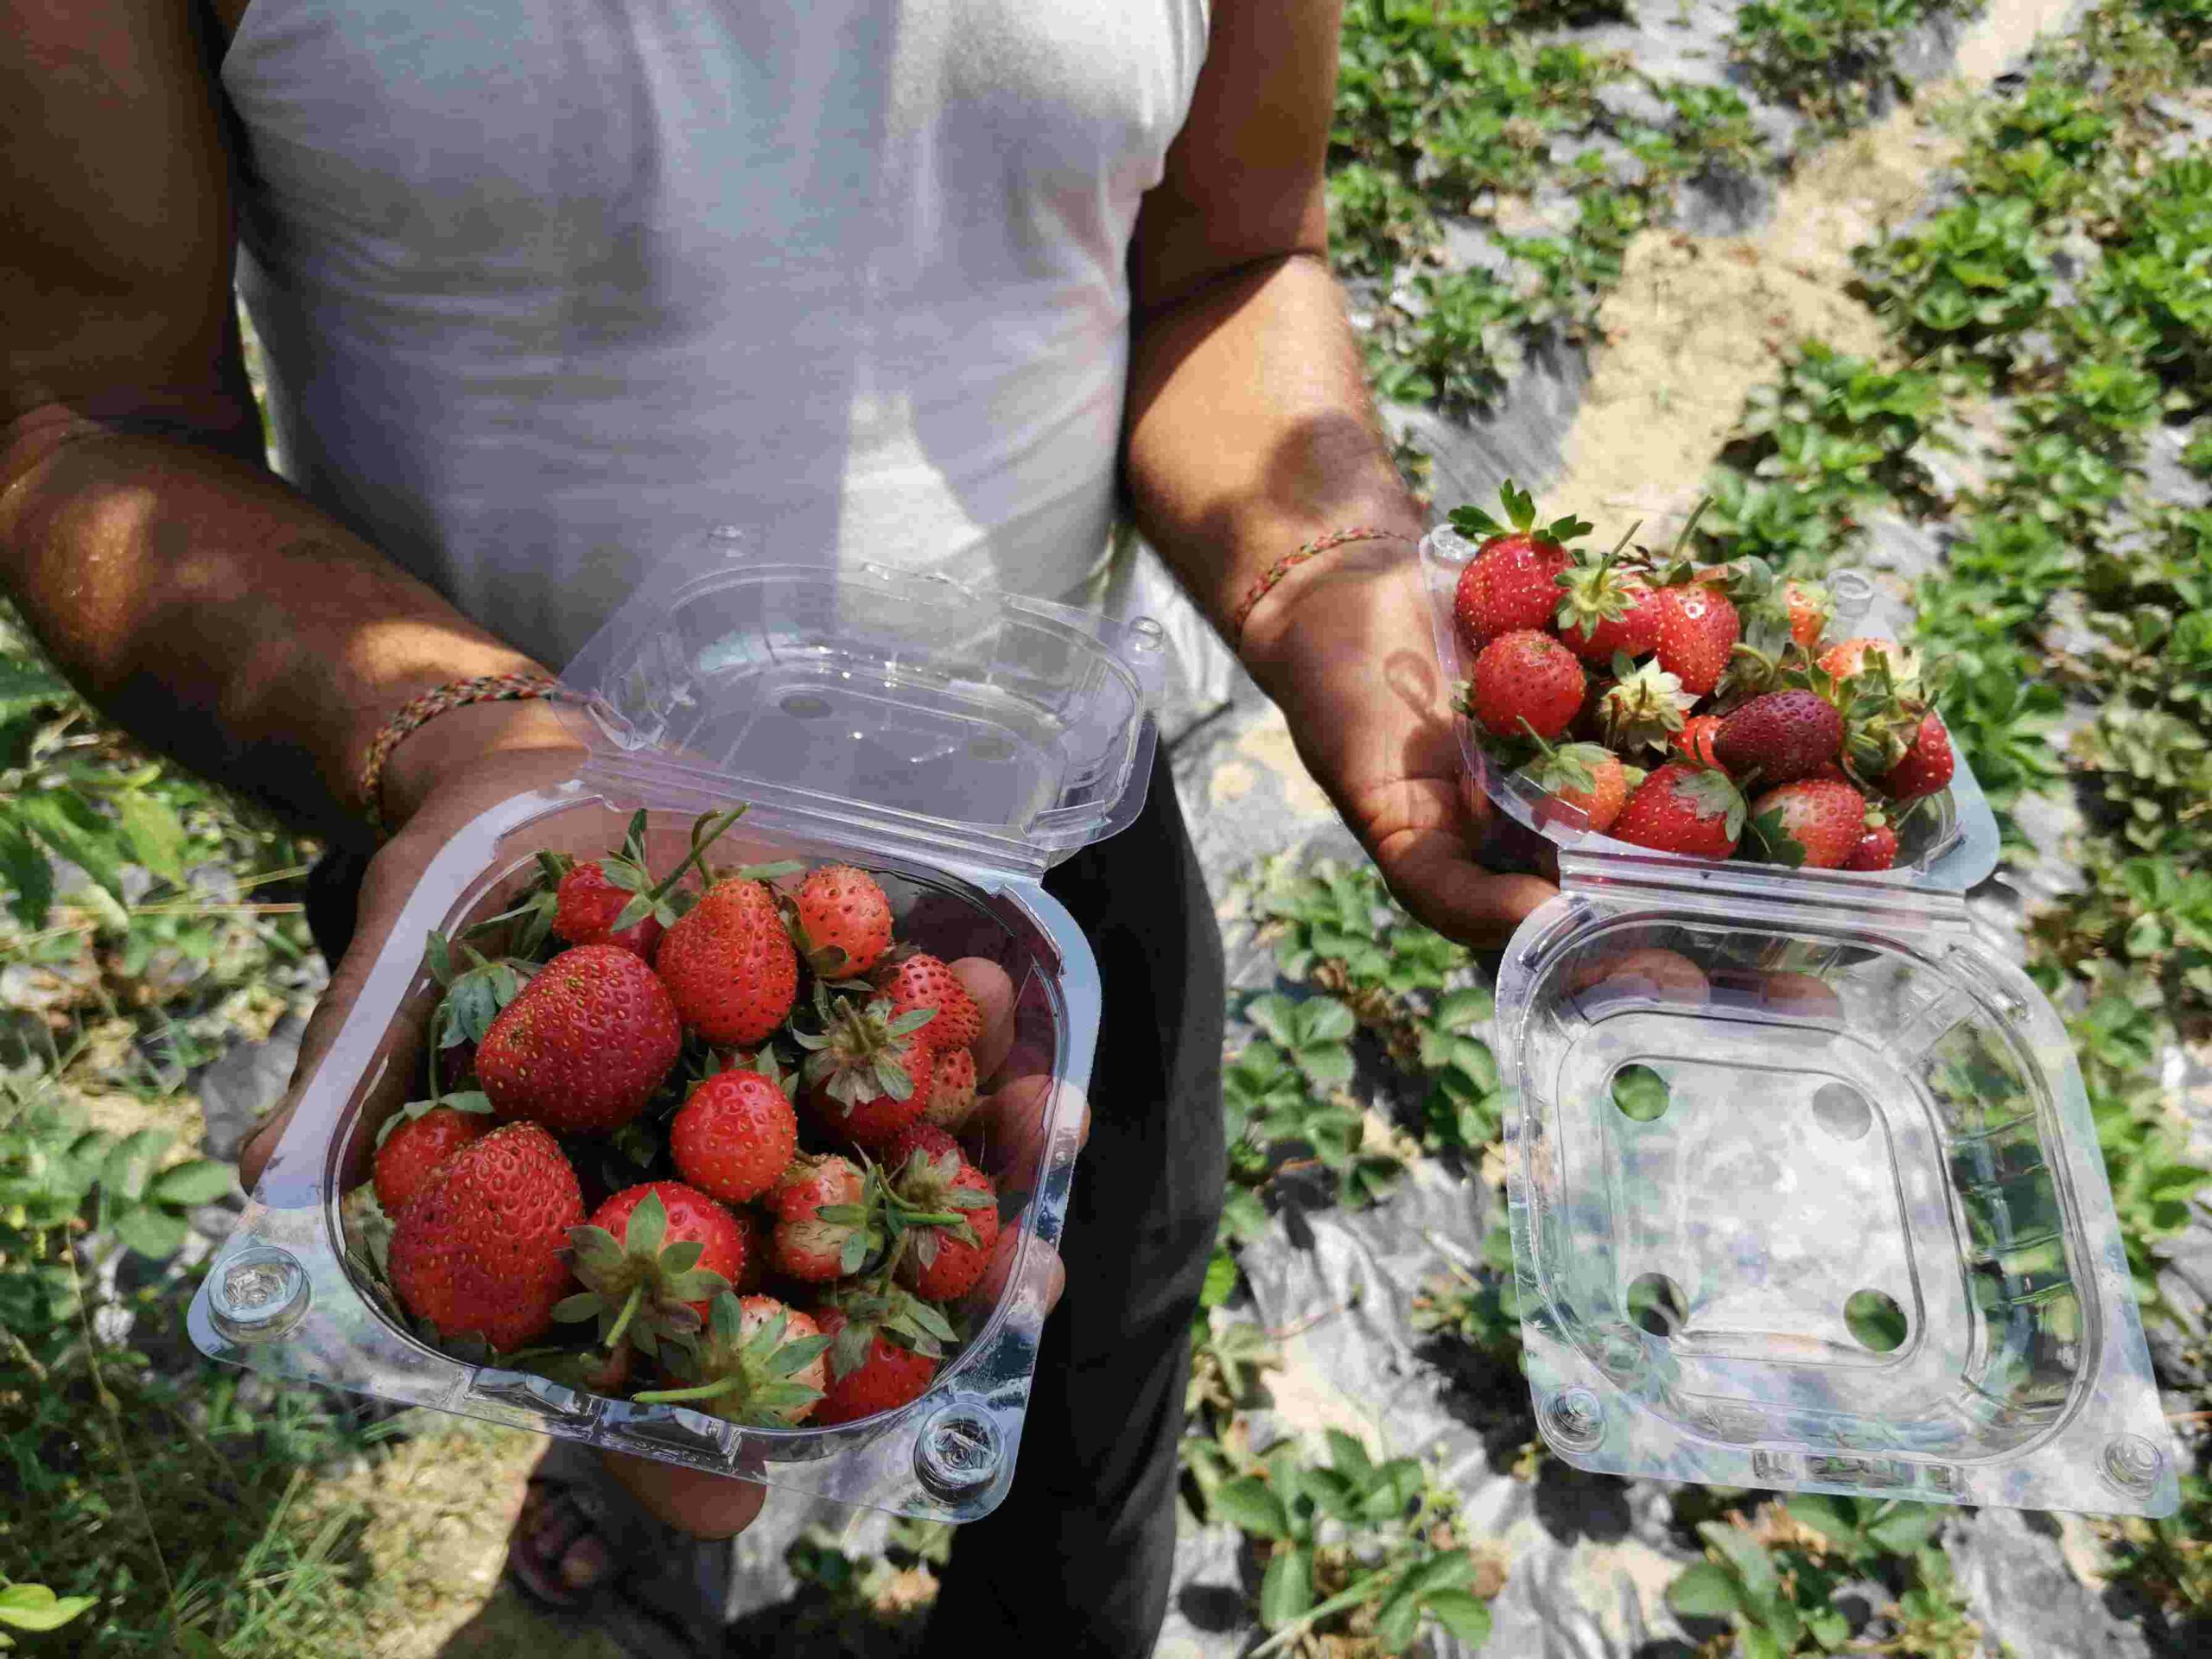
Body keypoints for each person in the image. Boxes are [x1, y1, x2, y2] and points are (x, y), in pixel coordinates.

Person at [0, 2, 1556, 1653]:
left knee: (1094, 1349)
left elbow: (1230, 256)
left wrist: (1329, 581)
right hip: (524, 892)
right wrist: (460, 743)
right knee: (613, 1306)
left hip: (1034, 847)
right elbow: (85, 415)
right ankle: (623, 1488)